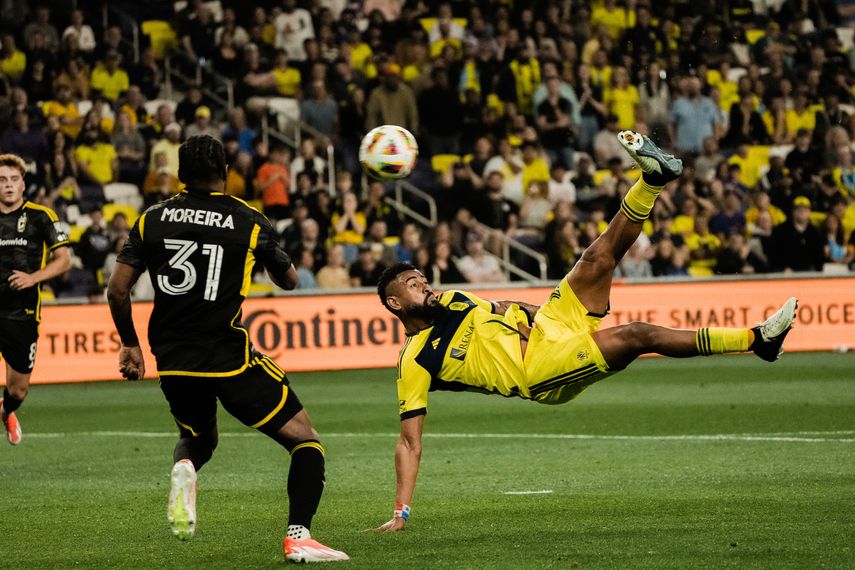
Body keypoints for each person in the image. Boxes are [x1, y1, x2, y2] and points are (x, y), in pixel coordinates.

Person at [372, 132, 798, 532]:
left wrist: (552, 312)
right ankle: (757, 342)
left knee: (597, 258)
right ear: (395, 303)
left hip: (549, 326)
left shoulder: (453, 299)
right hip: (538, 370)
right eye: (413, 285)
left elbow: (507, 307)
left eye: (422, 279)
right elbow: (410, 443)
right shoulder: (416, 359)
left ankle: (653, 179)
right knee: (636, 336)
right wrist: (401, 511)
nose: (425, 286)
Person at [106, 136, 347, 562]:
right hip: (229, 357)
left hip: (173, 358)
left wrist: (130, 344)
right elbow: (289, 281)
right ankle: (298, 536)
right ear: (225, 172)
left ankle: (185, 469)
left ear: (181, 174)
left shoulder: (151, 219)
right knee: (306, 440)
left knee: (198, 440)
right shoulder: (248, 220)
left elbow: (117, 290)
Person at [0, 154, 72, 445]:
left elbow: (64, 260)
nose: (8, 185)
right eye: (2, 180)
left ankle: (7, 412)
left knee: (17, 391)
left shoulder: (42, 216)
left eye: (14, 180)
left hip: (23, 313)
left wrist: (33, 277)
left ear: (23, 184)